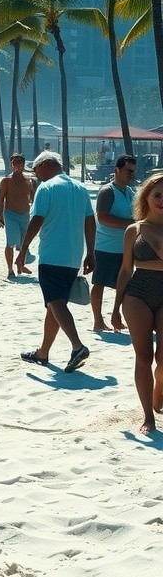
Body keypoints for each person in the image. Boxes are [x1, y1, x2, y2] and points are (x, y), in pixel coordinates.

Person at [17, 151, 95, 373]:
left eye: (36, 169)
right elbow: (90, 222)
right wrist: (90, 253)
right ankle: (42, 353)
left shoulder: (47, 187)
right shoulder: (79, 188)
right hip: (73, 256)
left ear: (46, 165)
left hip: (52, 255)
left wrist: (23, 249)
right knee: (54, 305)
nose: (35, 173)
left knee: (55, 301)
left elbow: (37, 219)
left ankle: (77, 346)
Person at [112, 172, 163, 433]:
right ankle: (148, 416)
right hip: (137, 294)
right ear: (147, 197)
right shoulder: (134, 230)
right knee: (143, 356)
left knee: (162, 361)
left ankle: (159, 388)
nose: (162, 200)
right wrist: (114, 308)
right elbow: (124, 271)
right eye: (157, 195)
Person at [91, 154, 136, 331]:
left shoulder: (131, 193)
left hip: (125, 248)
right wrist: (130, 224)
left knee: (124, 285)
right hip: (105, 247)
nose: (131, 174)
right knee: (100, 283)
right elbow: (102, 217)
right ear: (117, 169)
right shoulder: (107, 191)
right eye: (128, 170)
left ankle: (116, 317)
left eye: (133, 171)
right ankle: (97, 320)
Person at [0, 153, 35, 277]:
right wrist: (0, 216)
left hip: (24, 214)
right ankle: (10, 270)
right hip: (10, 214)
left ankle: (20, 266)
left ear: (23, 164)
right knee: (11, 242)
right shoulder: (6, 180)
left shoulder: (28, 180)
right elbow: (1, 199)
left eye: (20, 163)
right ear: (12, 165)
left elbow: (33, 198)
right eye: (15, 163)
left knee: (24, 243)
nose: (18, 165)